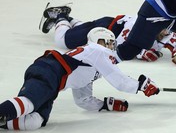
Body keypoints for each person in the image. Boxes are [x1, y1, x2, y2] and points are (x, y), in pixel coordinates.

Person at [0, 27, 160, 131]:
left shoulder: (91, 64)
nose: (112, 48)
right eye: (110, 43)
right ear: (100, 42)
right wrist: (141, 85)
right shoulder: (97, 52)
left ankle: (4, 120)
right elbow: (119, 81)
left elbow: (82, 99)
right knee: (29, 103)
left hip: (53, 80)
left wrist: (104, 105)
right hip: (49, 70)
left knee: (36, 121)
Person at [39, 3, 176, 64]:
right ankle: (61, 15)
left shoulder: (164, 31)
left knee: (78, 30)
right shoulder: (140, 25)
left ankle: (67, 20)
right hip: (104, 29)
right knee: (63, 40)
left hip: (107, 30)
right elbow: (123, 44)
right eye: (162, 29)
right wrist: (142, 53)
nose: (165, 33)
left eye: (167, 29)